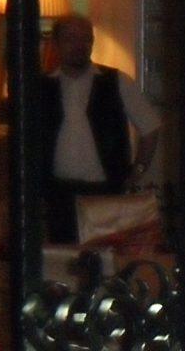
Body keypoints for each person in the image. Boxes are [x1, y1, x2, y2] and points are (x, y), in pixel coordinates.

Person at [30, 14, 160, 243]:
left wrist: (137, 171)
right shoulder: (40, 87)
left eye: (85, 39)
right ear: (56, 44)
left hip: (105, 194)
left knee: (106, 257)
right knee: (63, 256)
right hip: (58, 195)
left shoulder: (116, 81)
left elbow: (150, 127)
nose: (79, 45)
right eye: (71, 39)